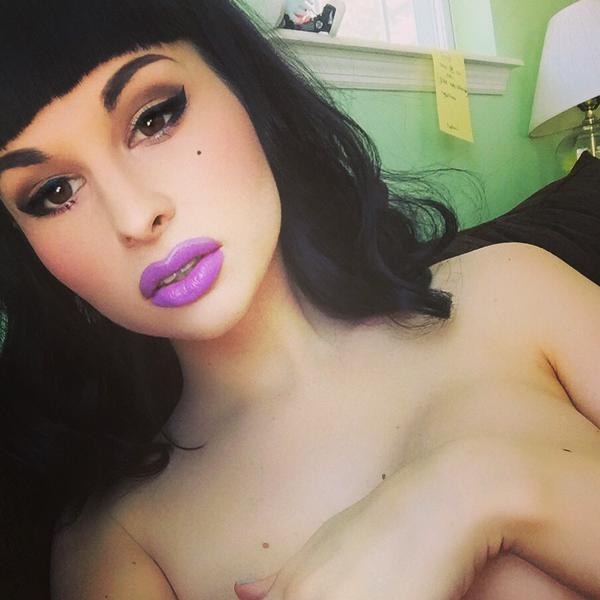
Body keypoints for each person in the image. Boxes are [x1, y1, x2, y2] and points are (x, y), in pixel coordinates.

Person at [1, 1, 599, 599]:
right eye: (53, 192)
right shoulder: (118, 541)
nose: (134, 216)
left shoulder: (513, 288)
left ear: (244, 87)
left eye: (155, 118)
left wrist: (485, 489)